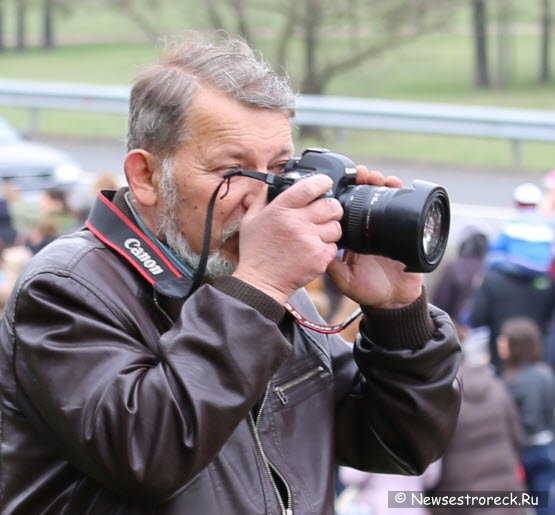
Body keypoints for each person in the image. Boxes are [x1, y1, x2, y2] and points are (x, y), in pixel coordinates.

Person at [0, 32, 462, 514]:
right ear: (146, 176)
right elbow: (146, 455)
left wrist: (397, 313)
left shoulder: (252, 280)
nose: (264, 197)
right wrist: (259, 285)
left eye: (280, 167)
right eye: (231, 170)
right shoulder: (68, 288)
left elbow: (399, 442)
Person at [429, 326, 528, 515]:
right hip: (506, 489)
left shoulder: (438, 399)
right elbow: (518, 436)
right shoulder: (496, 386)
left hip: (461, 493)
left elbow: (430, 460)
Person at [469, 183, 555, 374]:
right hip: (537, 362)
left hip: (502, 358)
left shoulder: (507, 234)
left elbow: (477, 318)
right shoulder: (548, 234)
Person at [498, 317, 555, 515]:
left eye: (504, 339)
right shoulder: (546, 374)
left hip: (525, 451)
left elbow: (527, 419)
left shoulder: (511, 381)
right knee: (545, 500)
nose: (500, 343)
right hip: (548, 446)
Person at [431, 225, 489, 336]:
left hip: (456, 328)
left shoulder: (454, 265)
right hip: (482, 332)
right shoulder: (490, 268)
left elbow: (441, 300)